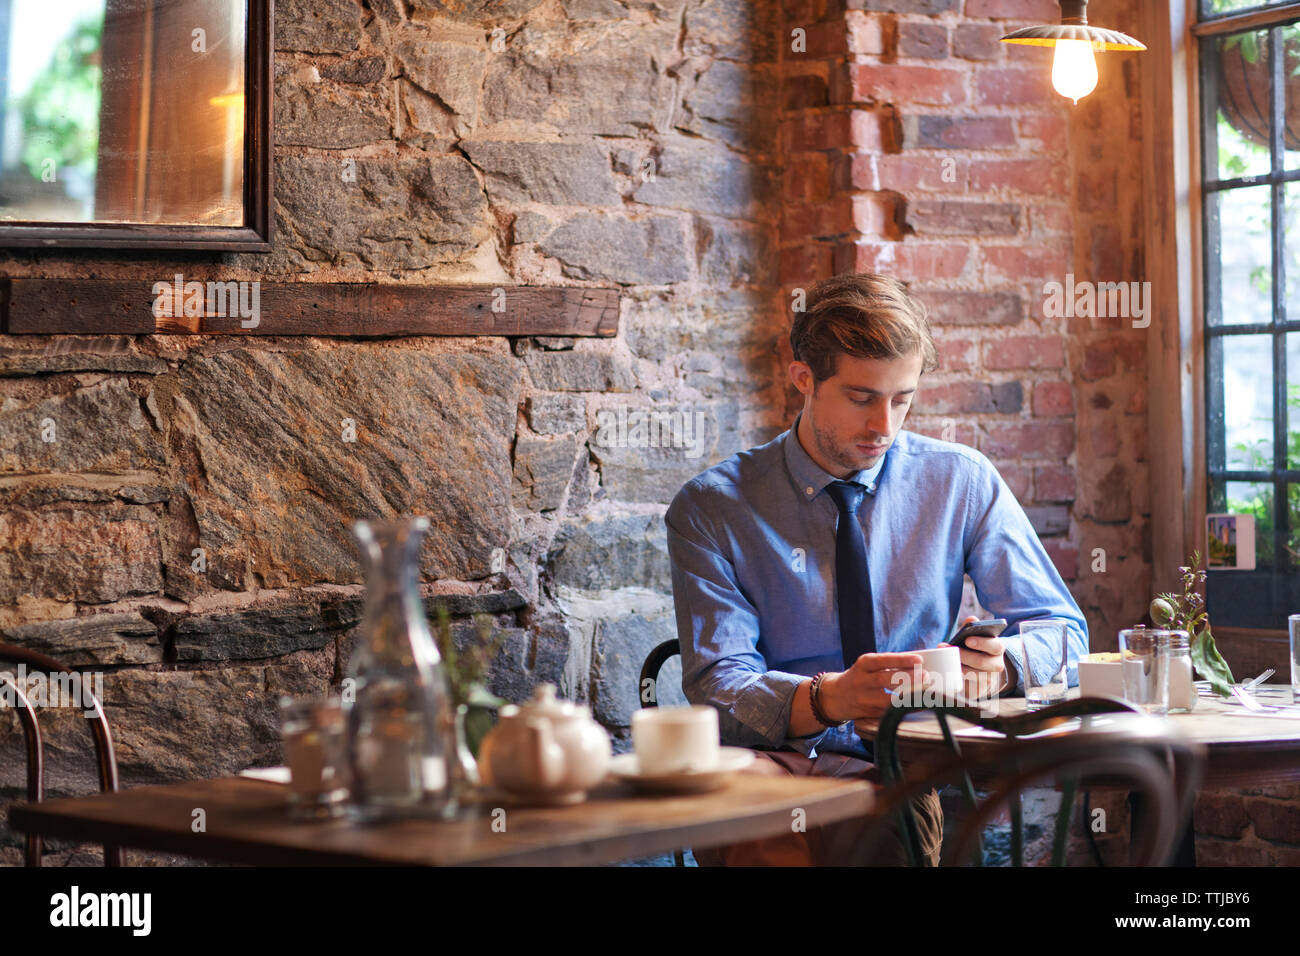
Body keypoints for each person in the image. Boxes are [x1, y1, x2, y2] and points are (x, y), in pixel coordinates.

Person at [664, 272, 1089, 866]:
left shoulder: (959, 482)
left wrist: (1006, 667)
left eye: (903, 399)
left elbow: (1064, 630)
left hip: (904, 765)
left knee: (882, 823)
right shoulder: (713, 507)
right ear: (804, 380)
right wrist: (830, 698)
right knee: (755, 826)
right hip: (769, 759)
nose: (884, 426)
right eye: (862, 398)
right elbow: (718, 684)